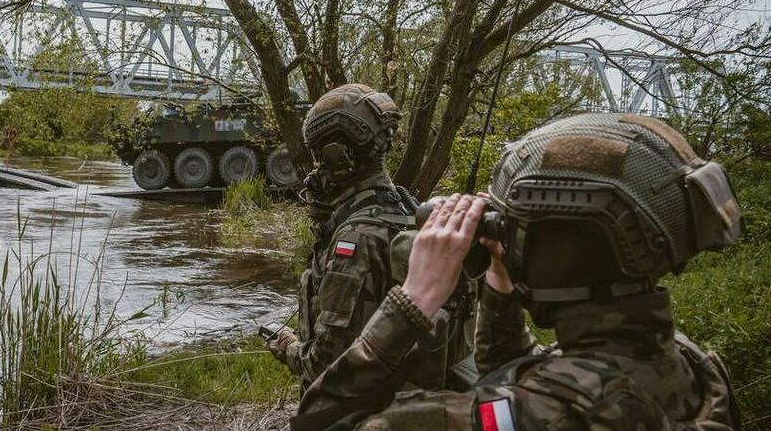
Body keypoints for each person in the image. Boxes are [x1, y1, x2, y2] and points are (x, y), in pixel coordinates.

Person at [293, 112, 741, 431]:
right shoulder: (688, 364)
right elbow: (515, 370)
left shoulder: (510, 416)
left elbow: (321, 421)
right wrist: (501, 284)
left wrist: (414, 298)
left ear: (548, 248)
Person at [265, 83, 476, 394]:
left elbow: (328, 364)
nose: (314, 167)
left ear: (336, 155)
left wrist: (288, 347)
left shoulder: (356, 237)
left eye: (316, 154)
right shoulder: (413, 211)